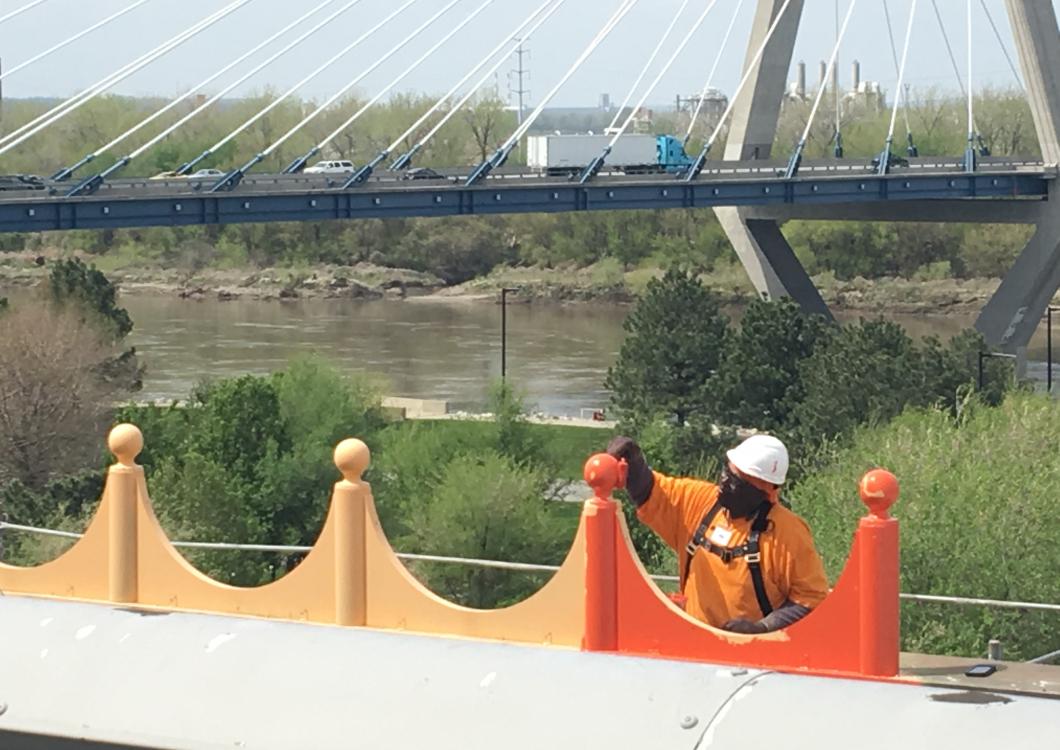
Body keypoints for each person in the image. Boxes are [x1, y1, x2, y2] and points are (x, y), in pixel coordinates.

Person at [607, 434, 828, 634]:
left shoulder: (788, 533)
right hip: (692, 645)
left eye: (737, 481)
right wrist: (634, 462)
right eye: (726, 472)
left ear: (767, 489)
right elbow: (652, 492)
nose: (724, 483)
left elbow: (810, 598)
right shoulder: (700, 501)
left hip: (753, 659)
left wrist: (764, 627)